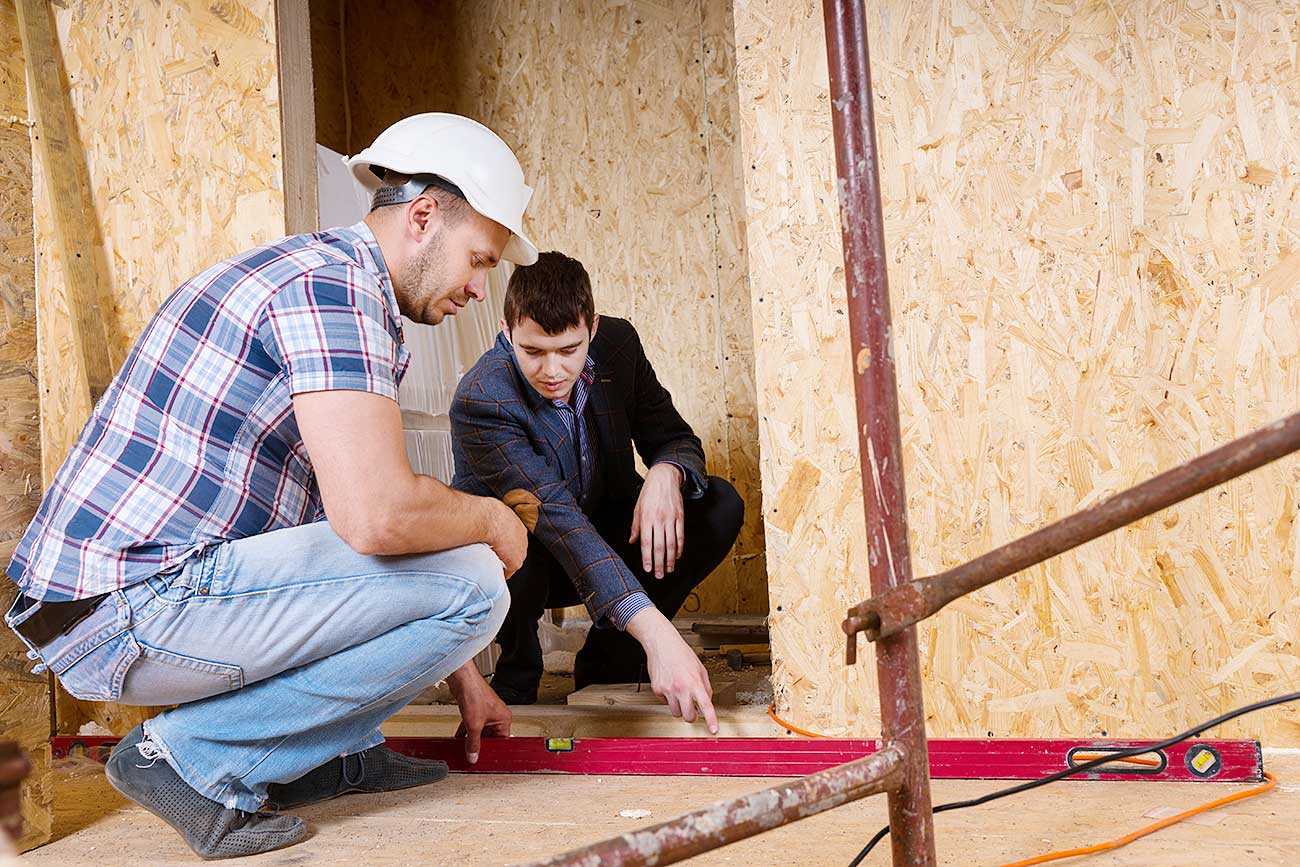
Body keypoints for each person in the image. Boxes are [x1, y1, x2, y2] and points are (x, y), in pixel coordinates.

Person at [3, 113, 536, 860]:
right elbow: (377, 519)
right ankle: (192, 758)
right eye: (478, 261)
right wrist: (488, 518)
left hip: (121, 604)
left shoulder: (332, 285)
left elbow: (353, 549)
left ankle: (328, 753)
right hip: (133, 607)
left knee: (458, 581)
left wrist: (461, 678)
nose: (481, 289)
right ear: (422, 218)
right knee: (477, 580)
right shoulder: (334, 293)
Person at [450, 252, 744, 727]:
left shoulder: (619, 344)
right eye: (533, 351)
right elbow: (561, 523)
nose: (552, 370)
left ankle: (610, 657)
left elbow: (674, 436)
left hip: (605, 528)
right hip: (534, 555)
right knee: (507, 535)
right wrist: (661, 637)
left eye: (569, 350)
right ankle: (517, 673)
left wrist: (667, 472)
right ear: (505, 333)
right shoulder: (483, 399)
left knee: (717, 504)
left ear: (594, 326)